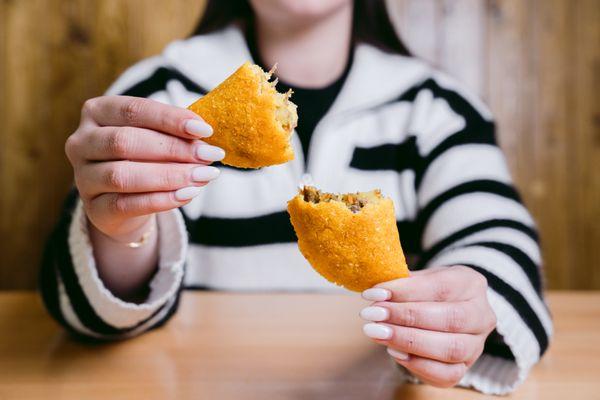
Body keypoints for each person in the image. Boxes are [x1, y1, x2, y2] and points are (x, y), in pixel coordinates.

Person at [40, 0, 552, 394]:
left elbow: (497, 239)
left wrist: (467, 302)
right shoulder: (157, 95)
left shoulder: (437, 109)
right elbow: (84, 304)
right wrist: (119, 231)